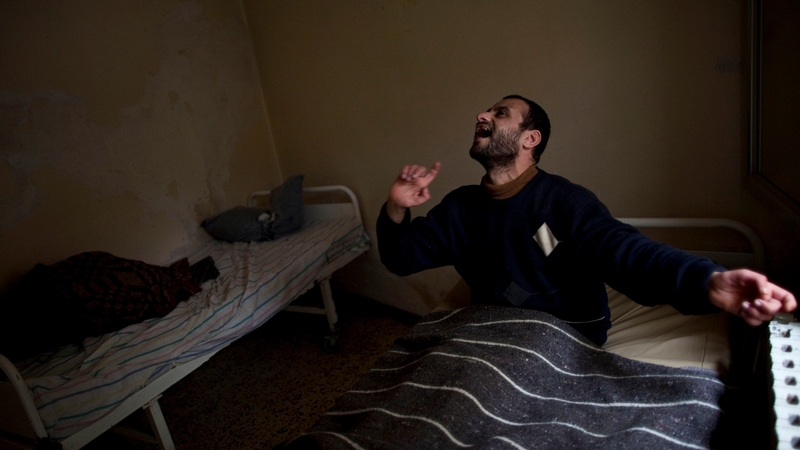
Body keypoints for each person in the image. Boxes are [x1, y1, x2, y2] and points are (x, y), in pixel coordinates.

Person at [376, 94, 797, 346]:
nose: (481, 116)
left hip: (564, 333)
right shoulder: (461, 207)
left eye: (499, 112)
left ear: (530, 139)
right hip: (494, 328)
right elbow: (402, 257)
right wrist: (397, 207)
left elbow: (625, 252)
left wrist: (704, 281)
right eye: (485, 111)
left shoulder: (565, 202)